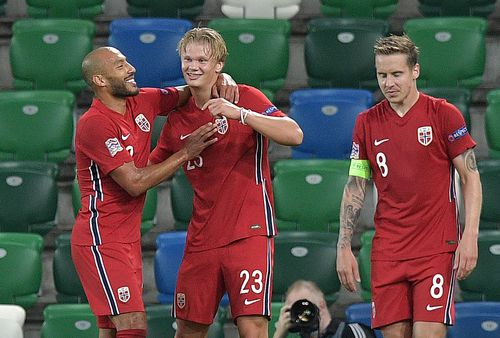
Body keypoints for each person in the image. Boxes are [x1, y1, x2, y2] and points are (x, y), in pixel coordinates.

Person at [71, 46, 238, 338]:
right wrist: (186, 152)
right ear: (100, 80)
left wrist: (223, 78)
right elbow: (133, 183)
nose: (131, 68)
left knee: (112, 329)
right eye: (121, 65)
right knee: (133, 325)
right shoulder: (94, 125)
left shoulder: (143, 100)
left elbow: (188, 91)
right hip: (101, 239)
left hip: (126, 238)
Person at [149, 27, 303, 338]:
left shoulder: (244, 96)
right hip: (202, 238)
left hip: (249, 233)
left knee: (252, 327)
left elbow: (295, 134)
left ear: (219, 64)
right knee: (189, 329)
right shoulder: (178, 118)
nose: (193, 66)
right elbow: (151, 169)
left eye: (202, 60)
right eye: (187, 58)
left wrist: (240, 114)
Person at [336, 34, 482, 338]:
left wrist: (470, 235)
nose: (388, 83)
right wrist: (343, 245)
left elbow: (470, 177)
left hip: (434, 249)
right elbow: (356, 185)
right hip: (388, 250)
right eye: (382, 75)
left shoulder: (444, 115)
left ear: (415, 70)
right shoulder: (366, 122)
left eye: (396, 74)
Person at [273, 280, 375, 338]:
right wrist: (279, 334)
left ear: (321, 305)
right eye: (295, 310)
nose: (302, 314)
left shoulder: (350, 332)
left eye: (305, 307)